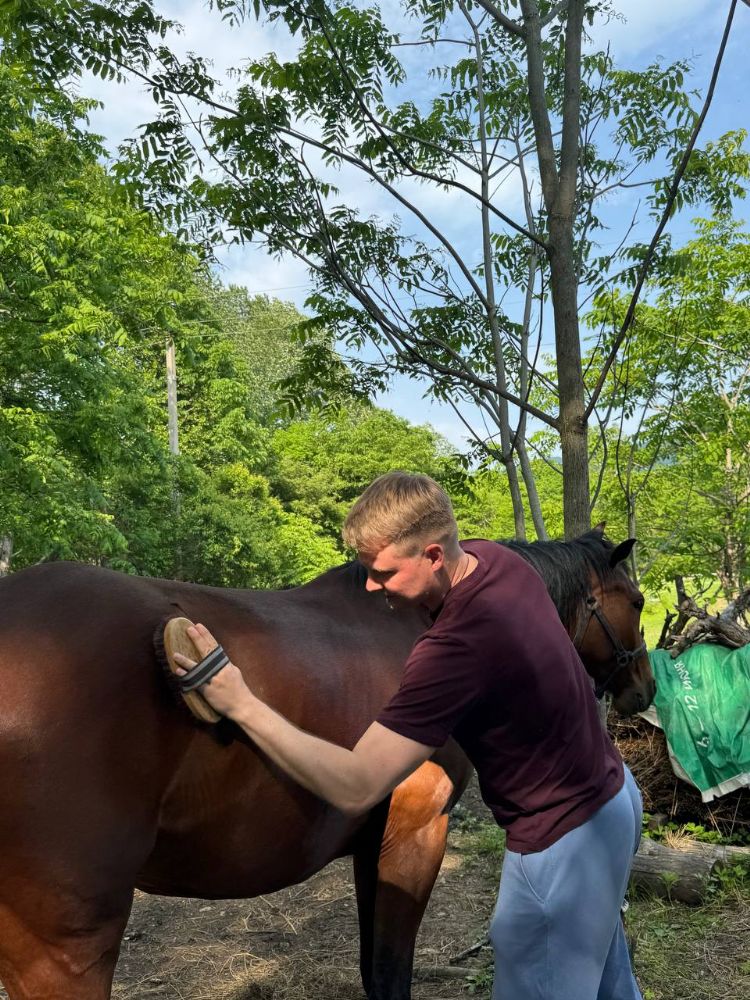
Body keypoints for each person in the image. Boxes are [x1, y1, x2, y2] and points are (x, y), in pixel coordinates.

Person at [172, 471, 643, 1000]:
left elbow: (356, 785)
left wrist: (241, 703)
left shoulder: (454, 650)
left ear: (434, 555)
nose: (370, 587)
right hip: (613, 798)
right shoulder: (495, 561)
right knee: (611, 986)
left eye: (383, 572)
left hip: (563, 841)